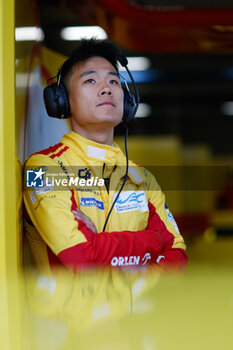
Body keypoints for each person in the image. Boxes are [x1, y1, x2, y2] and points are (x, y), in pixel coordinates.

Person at [23, 38, 188, 273]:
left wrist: (99, 242)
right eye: (90, 80)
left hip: (138, 310)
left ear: (128, 101)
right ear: (62, 100)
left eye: (113, 80)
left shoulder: (142, 178)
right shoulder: (43, 168)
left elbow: (178, 257)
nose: (106, 88)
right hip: (68, 310)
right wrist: (151, 242)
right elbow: (81, 257)